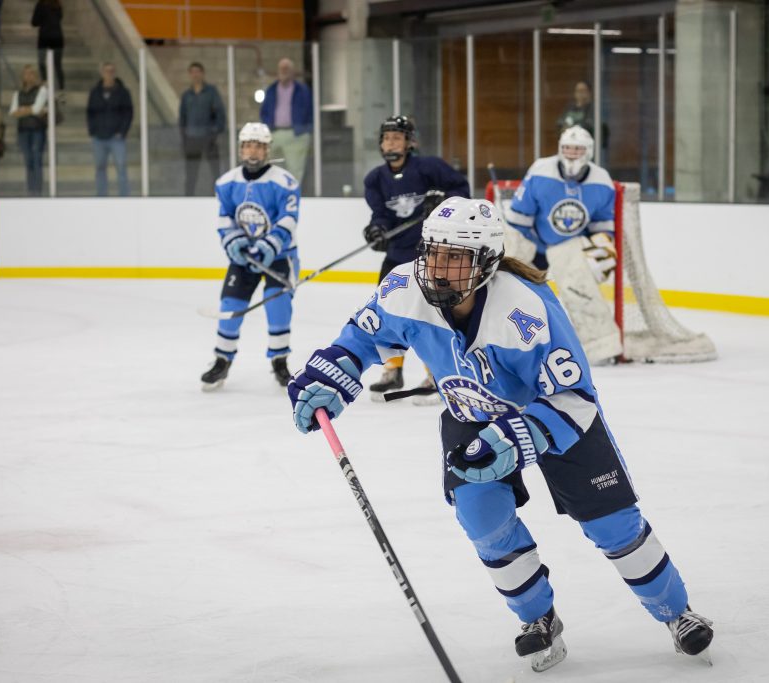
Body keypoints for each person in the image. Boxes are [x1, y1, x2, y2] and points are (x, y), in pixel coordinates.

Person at [287, 196, 714, 672]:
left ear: (486, 262)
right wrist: (330, 376)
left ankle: (676, 613)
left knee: (613, 526)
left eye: (455, 257)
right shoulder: (404, 288)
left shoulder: (527, 309)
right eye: (432, 252)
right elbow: (362, 338)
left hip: (553, 418)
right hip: (470, 415)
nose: (438, 267)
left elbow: (575, 397)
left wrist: (520, 436)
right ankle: (538, 619)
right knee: (485, 524)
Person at [361, 114, 470, 403]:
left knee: (429, 313)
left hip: (430, 255)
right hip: (396, 256)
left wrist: (442, 200)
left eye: (397, 137)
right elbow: (380, 214)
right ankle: (392, 371)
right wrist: (377, 230)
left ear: (410, 142)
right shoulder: (375, 179)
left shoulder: (429, 168)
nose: (391, 142)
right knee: (386, 311)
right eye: (386, 138)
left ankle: (435, 373)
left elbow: (462, 190)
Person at [504, 125, 623, 363]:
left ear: (588, 152)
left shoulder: (601, 180)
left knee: (579, 284)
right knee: (504, 278)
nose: (571, 154)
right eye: (567, 148)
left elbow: (602, 227)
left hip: (568, 245)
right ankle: (500, 337)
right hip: (530, 239)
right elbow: (518, 220)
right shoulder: (541, 171)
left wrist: (600, 251)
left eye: (577, 150)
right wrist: (528, 252)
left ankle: (601, 346)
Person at [200, 122, 301, 392]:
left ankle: (280, 362)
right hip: (244, 258)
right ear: (240, 149)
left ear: (267, 149)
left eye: (258, 145)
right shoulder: (226, 182)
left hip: (280, 257)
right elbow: (225, 218)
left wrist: (268, 245)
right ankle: (222, 360)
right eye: (247, 145)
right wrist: (234, 242)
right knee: (230, 306)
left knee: (277, 307)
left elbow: (289, 219)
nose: (252, 151)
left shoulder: (284, 182)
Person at [258, 58, 312, 185]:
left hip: (296, 134)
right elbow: (264, 111)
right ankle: (275, 193)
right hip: (275, 132)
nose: (284, 71)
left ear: (293, 71)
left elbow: (310, 111)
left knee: (295, 169)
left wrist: (306, 129)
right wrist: (267, 125)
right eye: (282, 69)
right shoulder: (271, 89)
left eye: (287, 68)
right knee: (271, 166)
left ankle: (292, 194)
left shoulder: (302, 90)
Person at [85, 62, 133, 197]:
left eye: (112, 71)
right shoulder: (95, 92)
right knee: (100, 168)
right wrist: (92, 130)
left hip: (116, 138)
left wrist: (122, 132)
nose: (109, 74)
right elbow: (90, 112)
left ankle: (124, 196)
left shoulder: (123, 92)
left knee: (121, 167)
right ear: (102, 73)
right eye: (107, 71)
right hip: (99, 137)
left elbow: (128, 113)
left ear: (115, 73)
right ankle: (101, 195)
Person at [179, 62, 226, 196]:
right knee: (191, 172)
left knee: (214, 170)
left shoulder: (211, 92)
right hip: (192, 138)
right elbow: (182, 118)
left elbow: (220, 114)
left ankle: (217, 196)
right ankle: (189, 197)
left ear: (202, 73)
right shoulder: (187, 95)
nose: (195, 74)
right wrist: (184, 137)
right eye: (192, 72)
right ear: (189, 74)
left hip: (208, 138)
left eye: (197, 71)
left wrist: (215, 132)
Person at [9, 65, 48, 197]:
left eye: (32, 73)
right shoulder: (18, 93)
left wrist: (23, 110)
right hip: (23, 131)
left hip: (37, 130)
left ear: (35, 76)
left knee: (37, 160)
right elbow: (13, 112)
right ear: (23, 76)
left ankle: (38, 190)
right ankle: (30, 190)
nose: (29, 76)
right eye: (26, 73)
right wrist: (30, 110)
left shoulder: (42, 90)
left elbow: (37, 109)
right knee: (28, 160)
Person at [556, 80, 609, 156]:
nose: (580, 93)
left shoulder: (594, 109)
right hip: (570, 149)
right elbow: (560, 123)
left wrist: (574, 128)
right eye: (578, 91)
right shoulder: (570, 108)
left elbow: (592, 126)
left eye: (583, 91)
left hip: (588, 150)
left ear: (589, 93)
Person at [32, 0, 65, 90]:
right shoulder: (58, 4)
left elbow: (34, 22)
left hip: (44, 37)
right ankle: (61, 90)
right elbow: (60, 17)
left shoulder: (40, 4)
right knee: (57, 65)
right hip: (58, 37)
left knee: (42, 63)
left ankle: (45, 85)